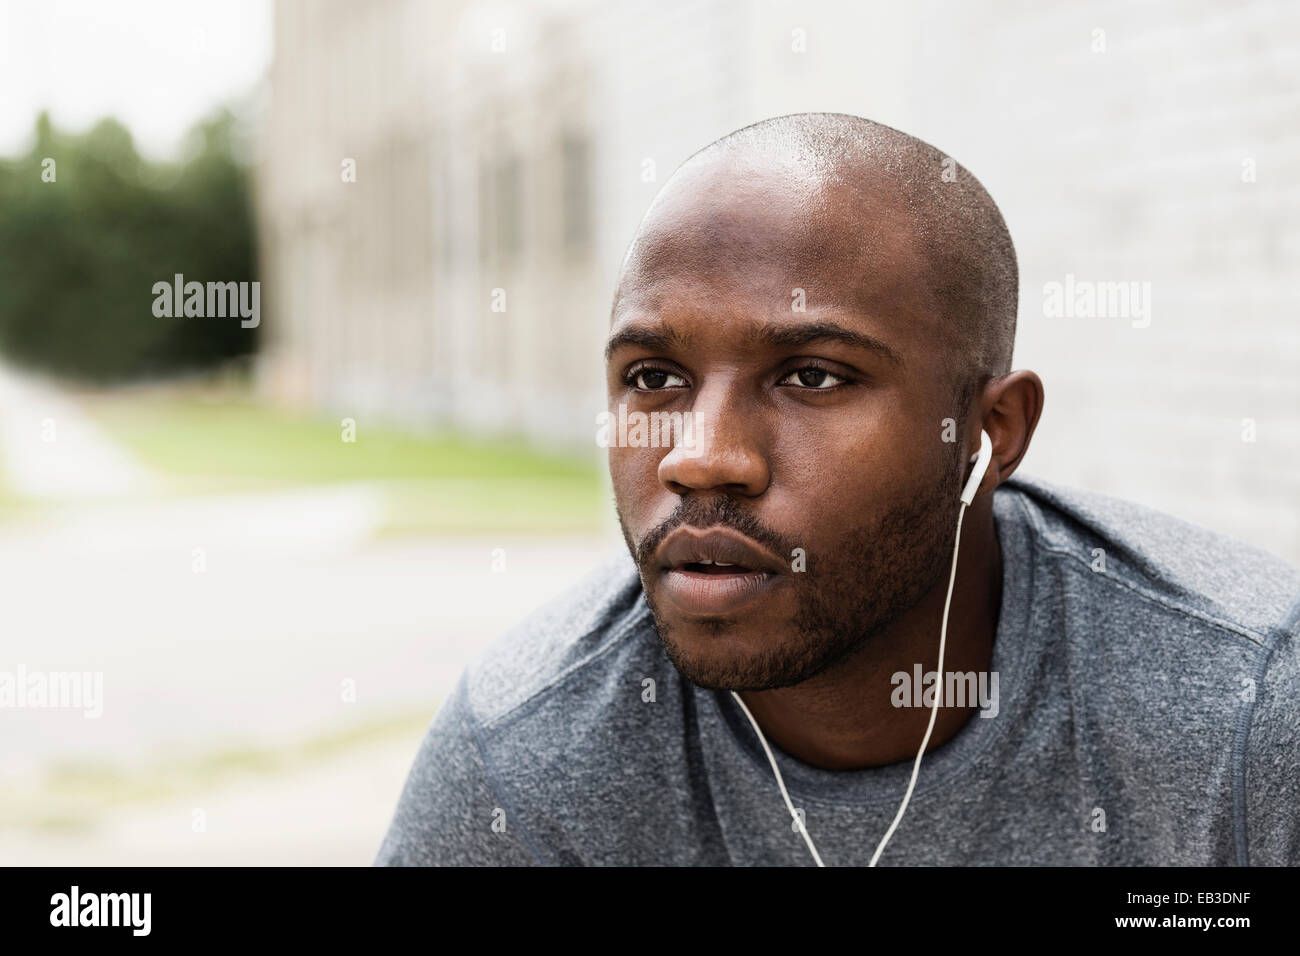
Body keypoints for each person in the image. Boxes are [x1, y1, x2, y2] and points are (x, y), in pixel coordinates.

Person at [375, 113, 1300, 866]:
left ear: (991, 433)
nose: (698, 458)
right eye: (655, 376)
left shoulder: (1245, 713)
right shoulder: (527, 763)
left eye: (812, 376)